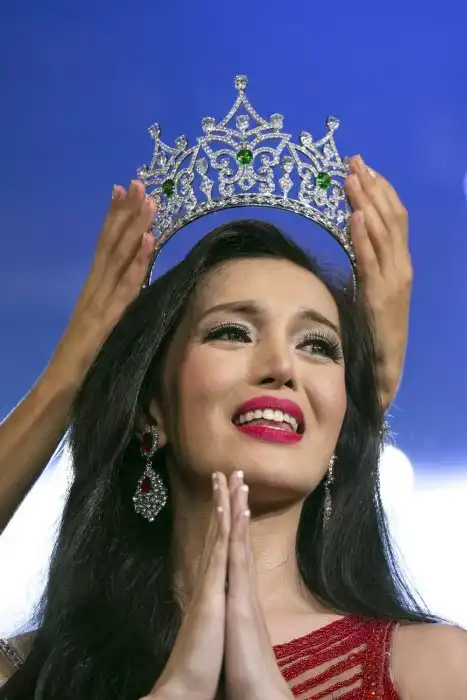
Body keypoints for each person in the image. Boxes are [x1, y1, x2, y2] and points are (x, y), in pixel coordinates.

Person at [1, 79, 465, 695]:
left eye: (318, 345)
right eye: (232, 332)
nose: (282, 367)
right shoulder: (36, 673)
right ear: (151, 409)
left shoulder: (435, 669)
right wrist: (71, 375)